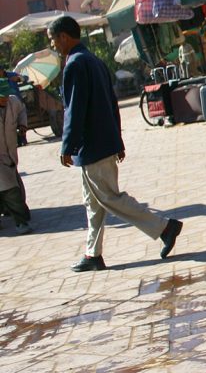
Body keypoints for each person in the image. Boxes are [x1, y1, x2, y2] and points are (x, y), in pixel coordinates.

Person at [50, 16, 184, 272]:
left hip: (92, 147)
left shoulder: (75, 64)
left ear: (64, 37)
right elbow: (112, 104)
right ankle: (93, 254)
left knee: (109, 198)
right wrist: (117, 140)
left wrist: (67, 145)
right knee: (93, 202)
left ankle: (164, 227)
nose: (54, 44)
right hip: (102, 143)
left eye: (53, 39)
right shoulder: (95, 61)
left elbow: (74, 110)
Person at [0, 79, 30, 233]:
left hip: (10, 154)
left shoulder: (14, 102)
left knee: (9, 186)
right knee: (10, 189)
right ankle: (21, 221)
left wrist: (22, 124)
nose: (4, 99)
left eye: (5, 96)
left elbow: (22, 111)